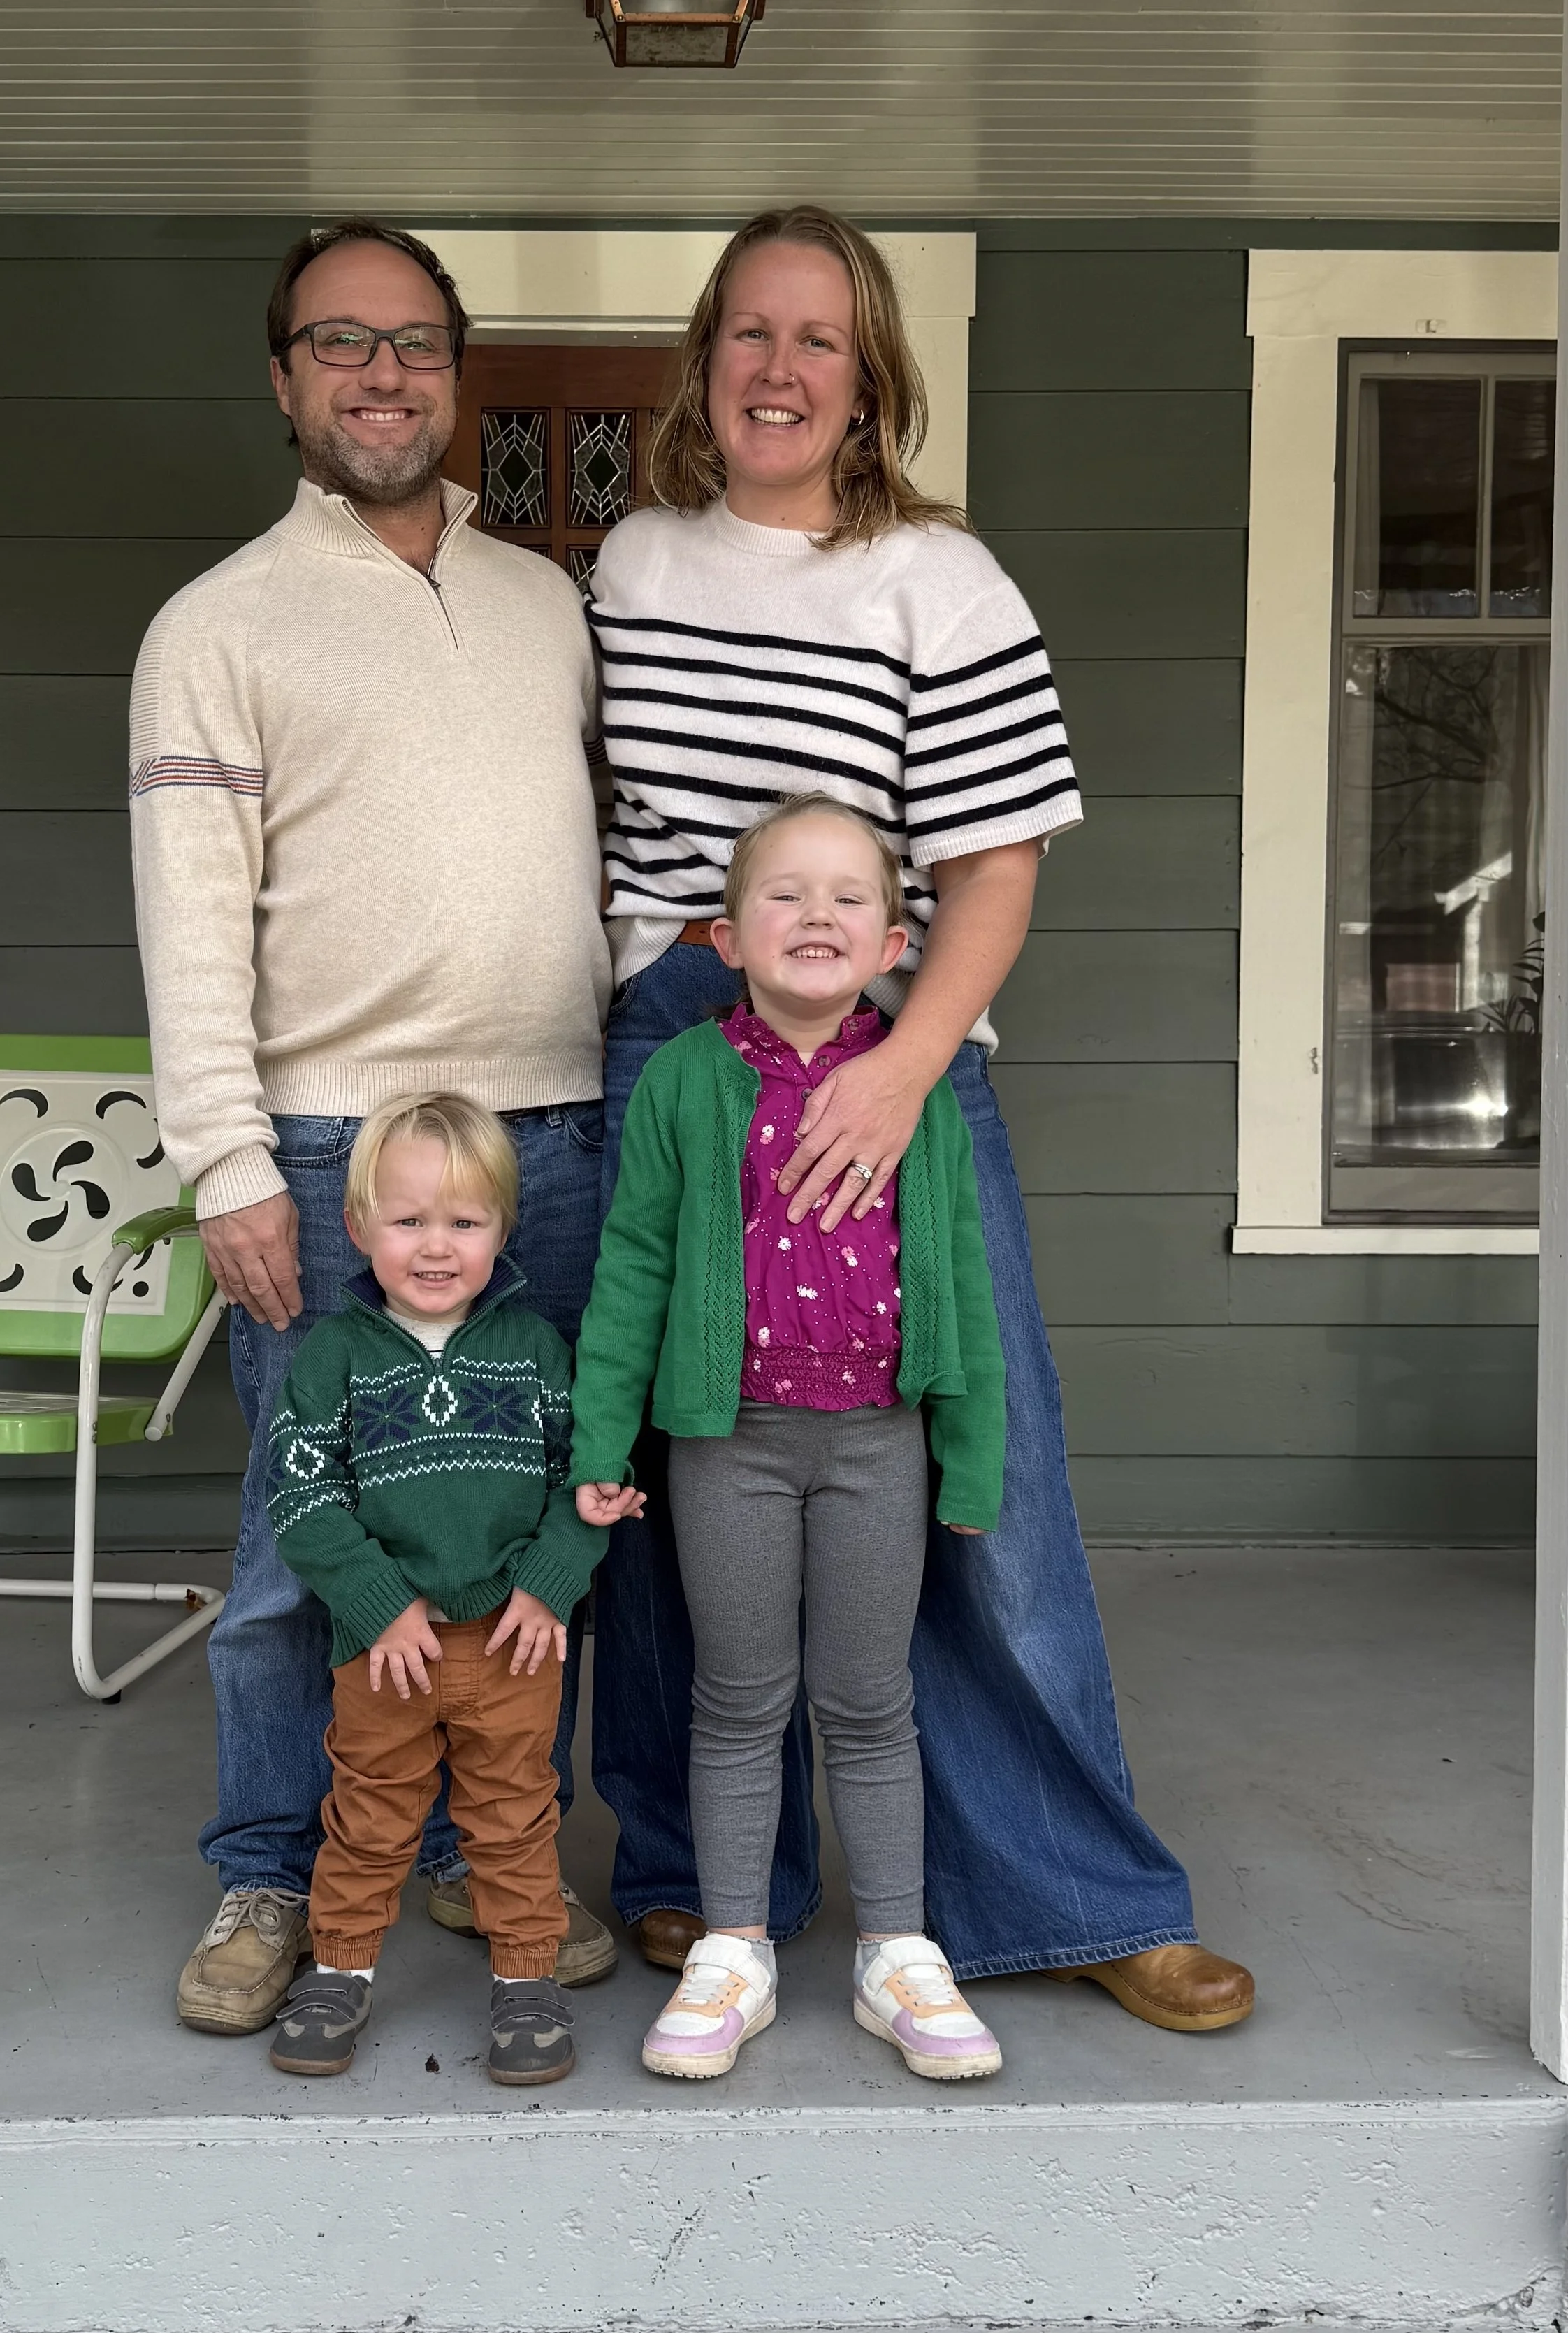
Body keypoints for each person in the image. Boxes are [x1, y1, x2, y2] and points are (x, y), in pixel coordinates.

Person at [586, 204, 1255, 2032]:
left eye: (817, 339)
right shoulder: (632, 565)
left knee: (974, 1461)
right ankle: (697, 1875)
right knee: (673, 1445)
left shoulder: (939, 583)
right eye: (747, 332)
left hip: (894, 1041)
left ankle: (1064, 1890)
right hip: (673, 1036)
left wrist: (899, 1069)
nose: (778, 368)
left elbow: (991, 865)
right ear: (702, 362)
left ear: (872, 380)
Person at [129, 217, 616, 2042]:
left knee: (516, 1521)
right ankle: (270, 1865)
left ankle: (474, 1851)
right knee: (296, 1534)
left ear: (456, 375)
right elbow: (188, 918)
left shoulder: (543, 601)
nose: (381, 373)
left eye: (413, 342)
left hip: (552, 1142)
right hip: (332, 1160)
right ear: (283, 379)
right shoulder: (217, 627)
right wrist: (227, 1160)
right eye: (340, 342)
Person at [574, 798, 1008, 2082]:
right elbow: (634, 1266)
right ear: (723, 933)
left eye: (848, 898)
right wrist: (605, 1439)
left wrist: (972, 1457)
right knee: (738, 1700)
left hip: (880, 1443)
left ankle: (896, 1950)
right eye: (784, 894)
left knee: (872, 1702)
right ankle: (734, 1946)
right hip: (732, 1446)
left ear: (891, 945)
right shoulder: (685, 1078)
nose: (816, 915)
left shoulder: (916, 1092)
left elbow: (965, 1283)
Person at [266, 1095, 604, 2083]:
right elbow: (304, 1493)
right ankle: (337, 1968)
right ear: (358, 1227)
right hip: (385, 1649)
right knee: (369, 1816)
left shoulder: (539, 1352)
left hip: (513, 1643)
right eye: (409, 1220)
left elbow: (582, 1484)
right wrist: (374, 1599)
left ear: (505, 1228)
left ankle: (528, 1982)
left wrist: (548, 1586)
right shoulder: (334, 1357)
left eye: (465, 1221)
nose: (436, 1246)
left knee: (513, 1815)